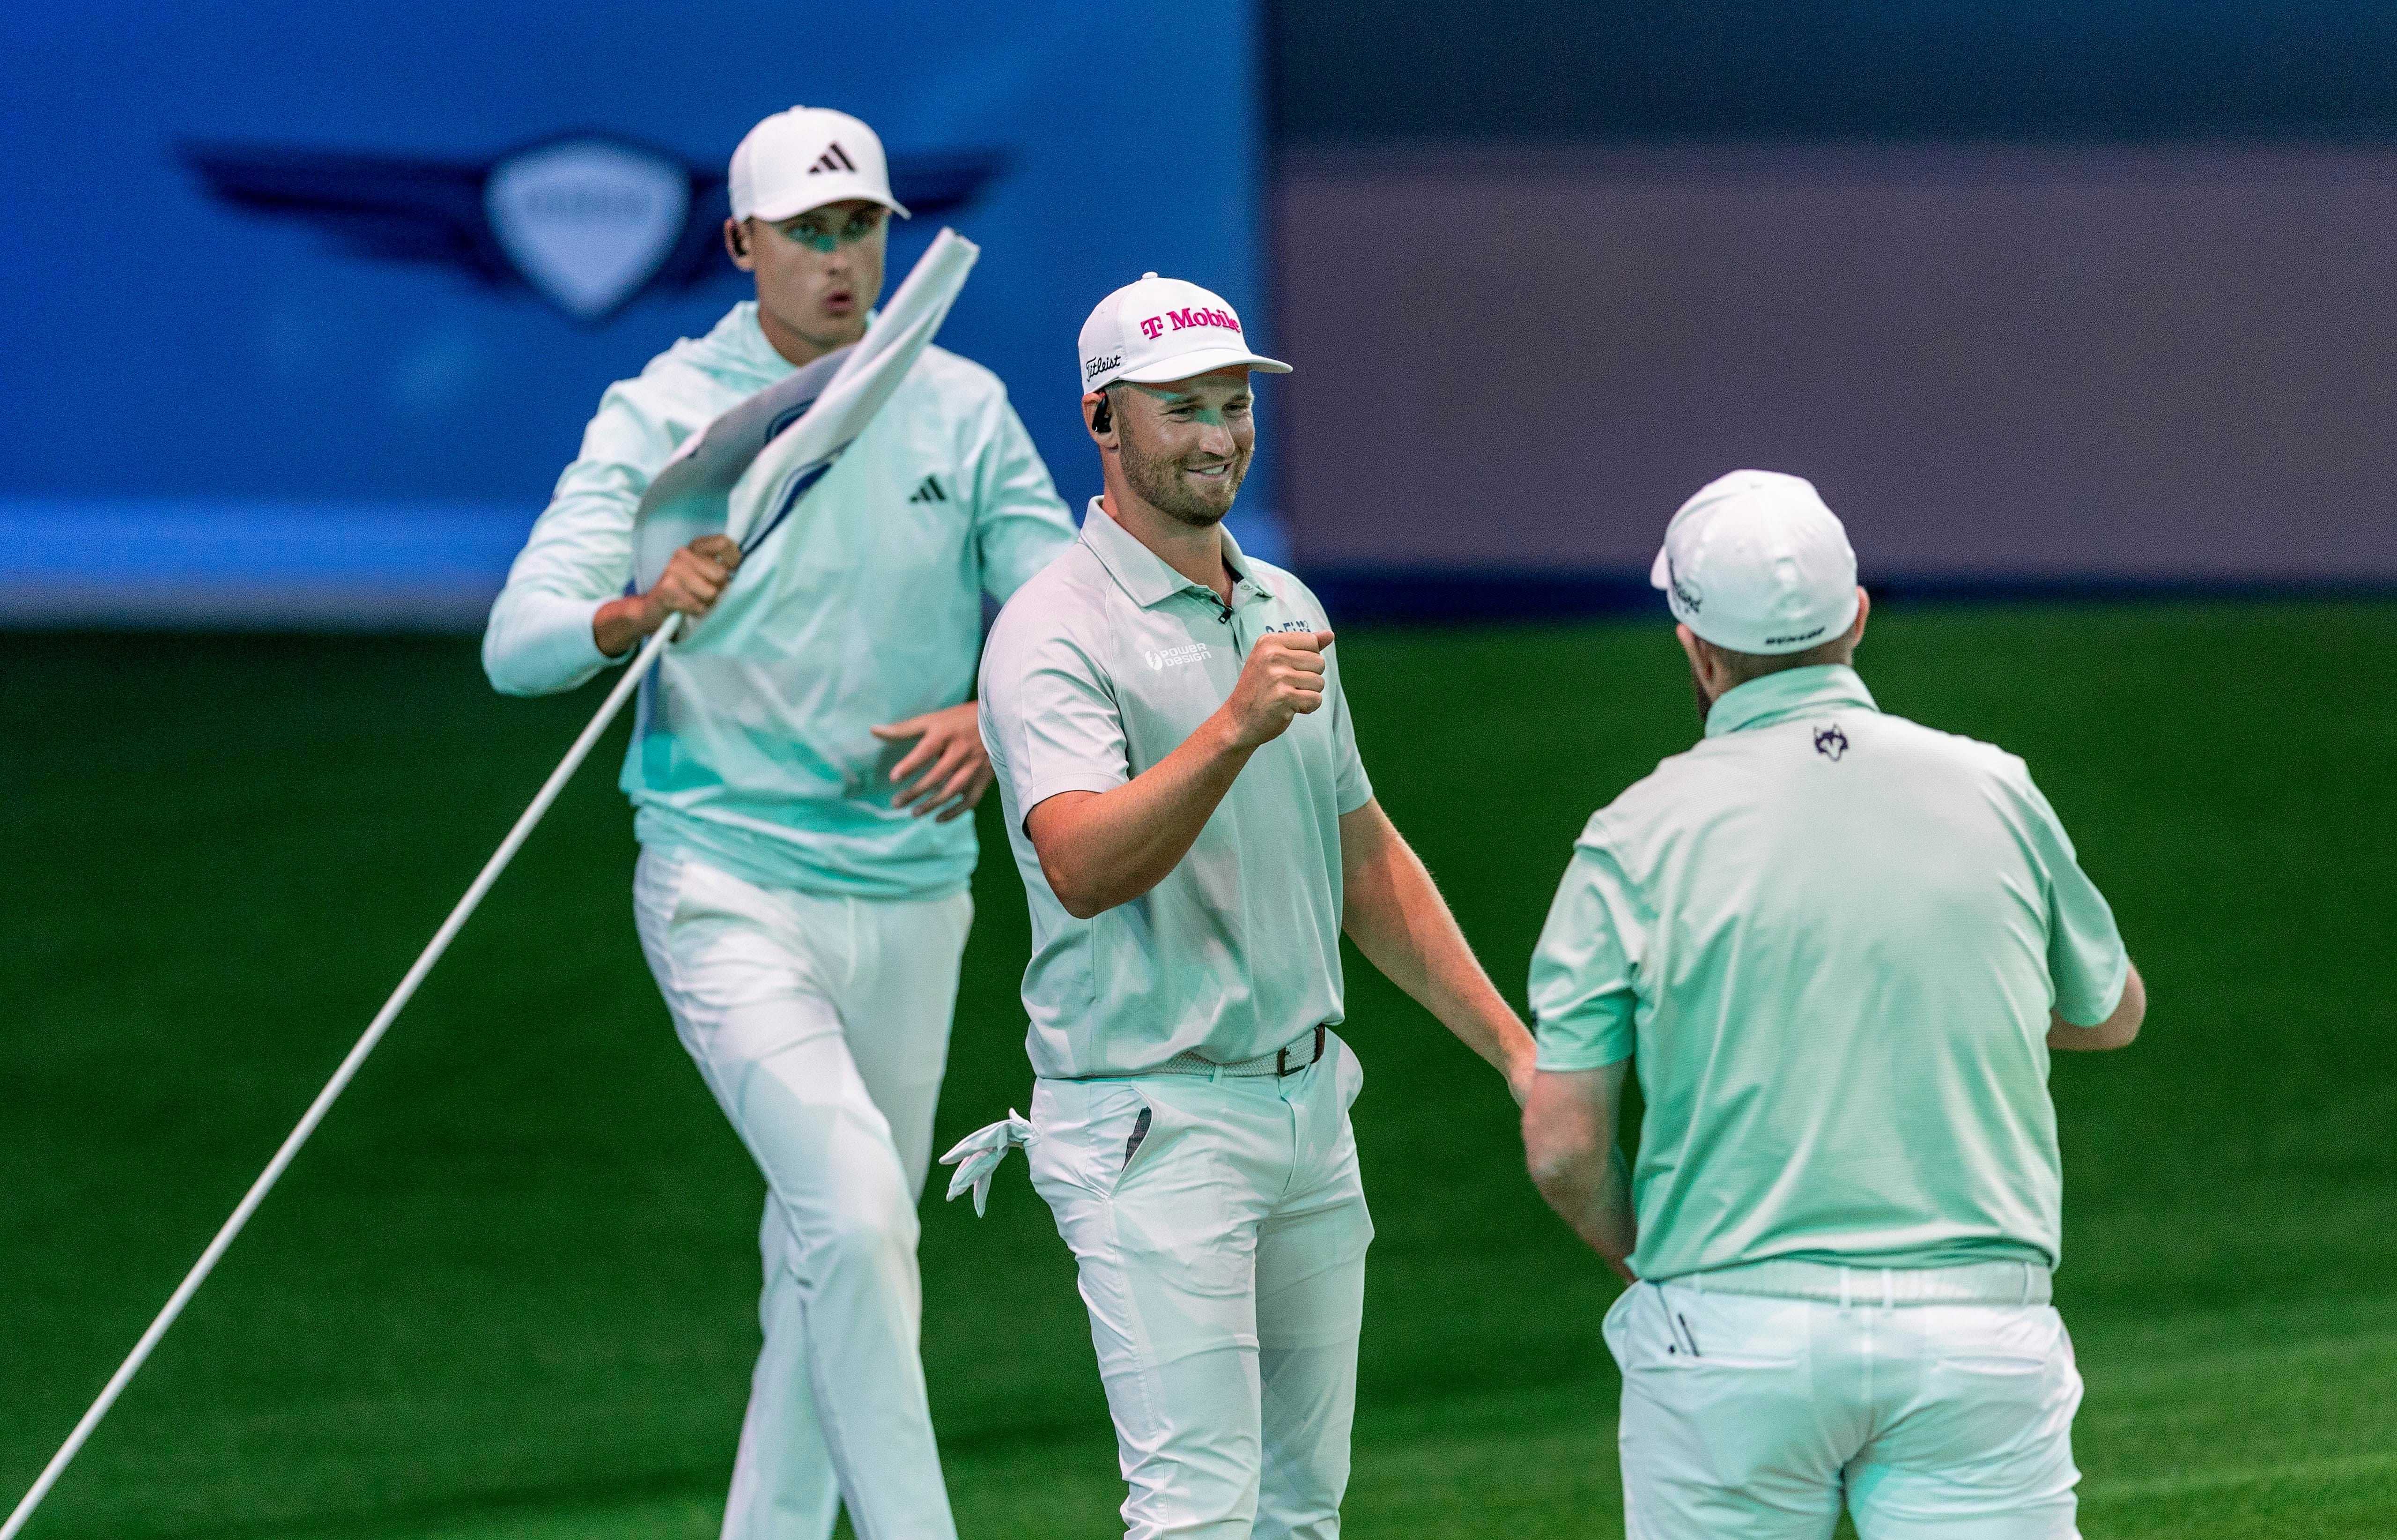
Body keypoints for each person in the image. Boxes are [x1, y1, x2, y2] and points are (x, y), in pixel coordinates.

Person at [481, 104, 1076, 1540]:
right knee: (862, 1218)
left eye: (860, 227)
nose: (837, 259)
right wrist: (633, 611)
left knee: (829, 1260)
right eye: (805, 233)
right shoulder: (657, 416)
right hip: (725, 885)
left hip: (916, 890)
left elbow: (1065, 614)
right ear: (742, 242)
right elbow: (519, 644)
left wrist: (993, 721)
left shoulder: (960, 407)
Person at [956, 273, 1537, 1540]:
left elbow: (1364, 858)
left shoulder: (1282, 607)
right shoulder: (1051, 632)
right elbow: (1077, 864)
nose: (1217, 434)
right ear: (1102, 421)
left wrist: (1511, 1052)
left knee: (1298, 1510)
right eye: (1181, 409)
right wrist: (1227, 730)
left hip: (1308, 1111)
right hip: (1148, 1123)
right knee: (1196, 1513)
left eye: (1231, 404)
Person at [1520, 469, 2146, 1540]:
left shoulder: (1634, 834)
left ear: (1696, 648)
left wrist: (1654, 1263)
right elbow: (2109, 1011)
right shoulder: (1994, 789)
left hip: (1730, 1338)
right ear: (1856, 618)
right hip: (1975, 1333)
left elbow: (1564, 1147)